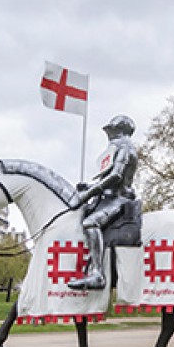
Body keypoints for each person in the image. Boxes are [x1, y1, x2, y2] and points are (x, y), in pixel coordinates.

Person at [68, 115, 138, 290]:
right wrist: (89, 186)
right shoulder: (116, 149)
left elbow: (116, 175)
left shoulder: (125, 149)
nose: (110, 136)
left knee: (91, 223)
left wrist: (89, 193)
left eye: (113, 132)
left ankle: (98, 274)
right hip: (107, 197)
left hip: (119, 198)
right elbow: (108, 177)